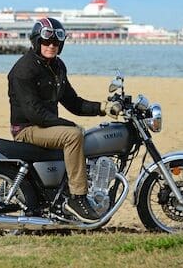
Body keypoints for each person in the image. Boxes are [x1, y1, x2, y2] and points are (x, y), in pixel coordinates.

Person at [7, 17, 116, 223]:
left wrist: (103, 108)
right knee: (73, 135)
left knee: (77, 133)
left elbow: (73, 102)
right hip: (27, 128)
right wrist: (68, 126)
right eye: (46, 42)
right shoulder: (24, 69)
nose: (51, 46)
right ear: (36, 41)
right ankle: (78, 198)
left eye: (56, 43)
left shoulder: (57, 66)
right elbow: (34, 113)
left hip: (44, 125)